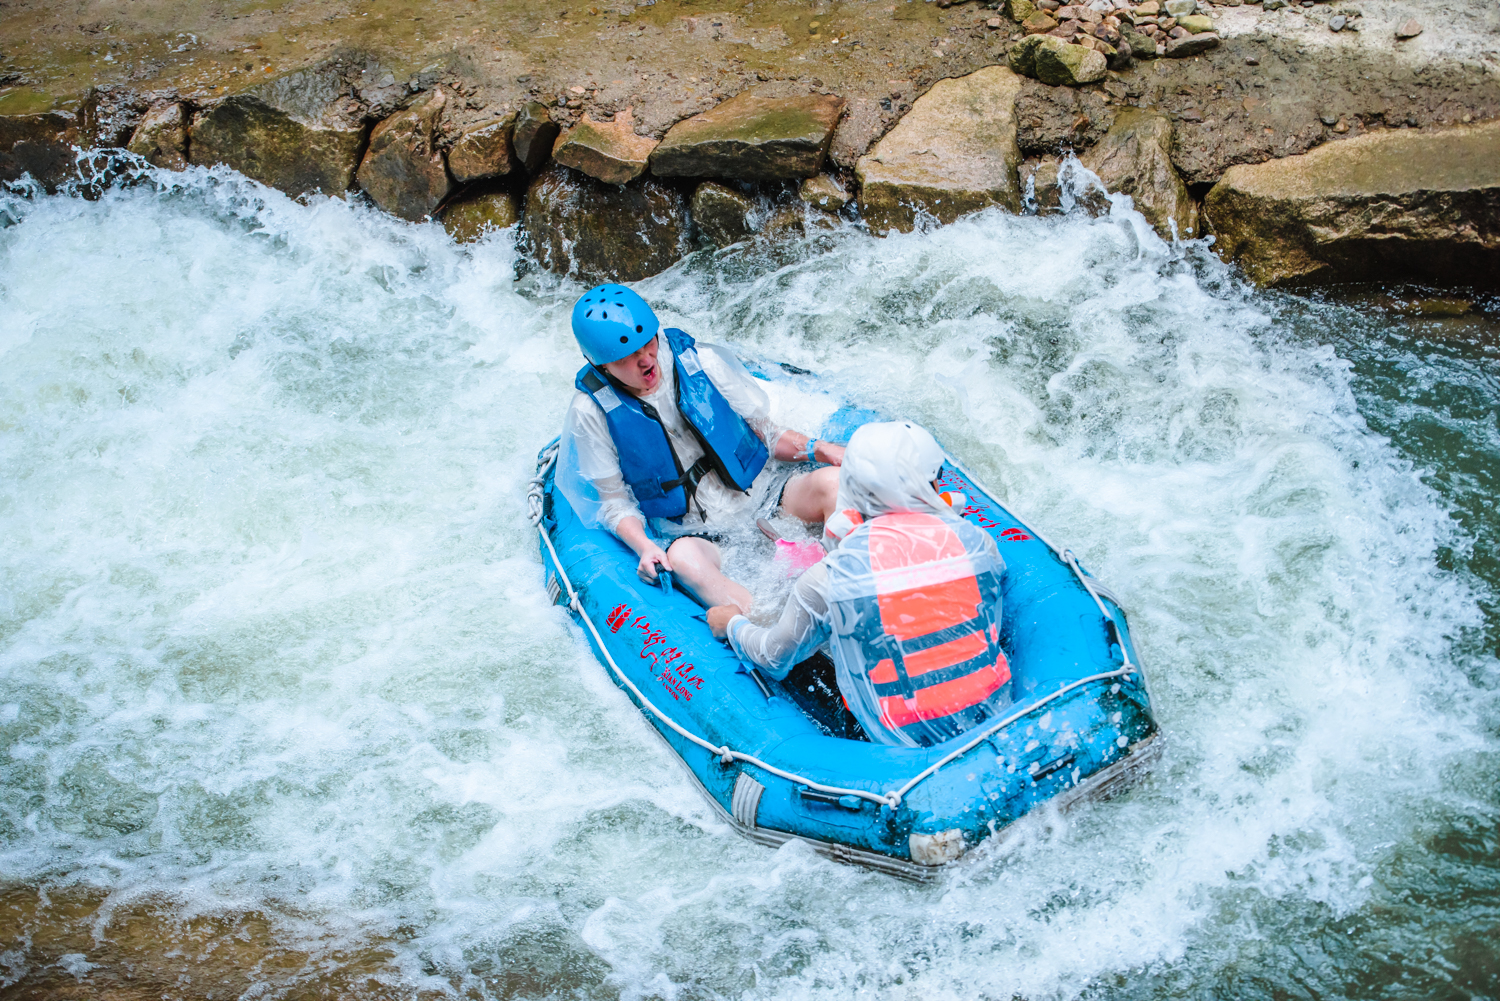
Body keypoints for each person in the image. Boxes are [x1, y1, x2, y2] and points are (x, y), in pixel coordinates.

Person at [707, 421, 1013, 748]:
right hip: (1000, 720)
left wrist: (733, 624)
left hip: (903, 752)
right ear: (936, 485)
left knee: (805, 654)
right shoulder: (978, 544)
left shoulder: (829, 577)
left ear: (851, 488)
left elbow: (773, 658)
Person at [557, 283, 845, 612]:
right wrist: (644, 547)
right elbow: (615, 502)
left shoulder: (698, 361)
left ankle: (858, 580)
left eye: (647, 344)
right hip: (696, 530)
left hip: (765, 492)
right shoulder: (591, 412)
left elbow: (766, 432)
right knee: (684, 561)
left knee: (833, 484)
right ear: (601, 365)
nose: (645, 360)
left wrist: (818, 449)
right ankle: (773, 629)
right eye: (626, 357)